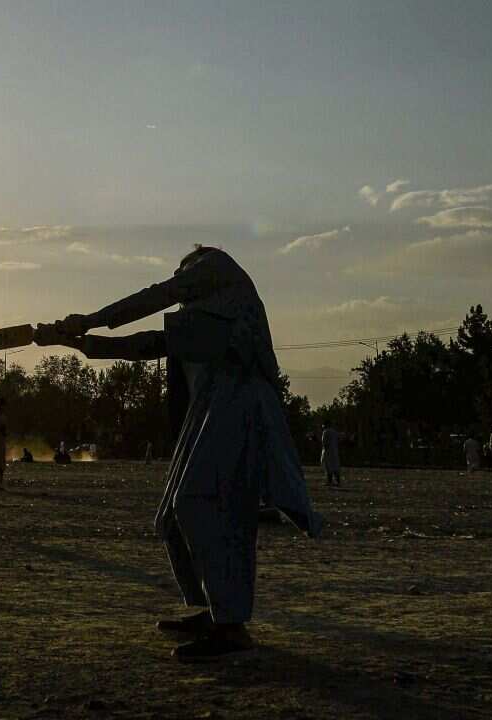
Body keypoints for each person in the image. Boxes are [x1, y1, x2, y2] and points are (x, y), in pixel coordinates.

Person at [35, 245, 320, 662]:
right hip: (211, 405)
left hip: (238, 399)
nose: (182, 280)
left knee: (200, 503)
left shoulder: (216, 274)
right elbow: (154, 343)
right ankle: (215, 609)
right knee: (173, 515)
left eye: (184, 271)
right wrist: (83, 343)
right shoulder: (207, 317)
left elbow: (157, 295)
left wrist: (88, 320)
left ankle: (231, 626)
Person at [320, 423, 342, 487]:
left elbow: (324, 442)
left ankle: (330, 482)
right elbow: (339, 439)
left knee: (328, 467)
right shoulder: (334, 432)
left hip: (328, 452)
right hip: (334, 451)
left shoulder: (326, 432)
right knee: (335, 467)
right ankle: (338, 482)